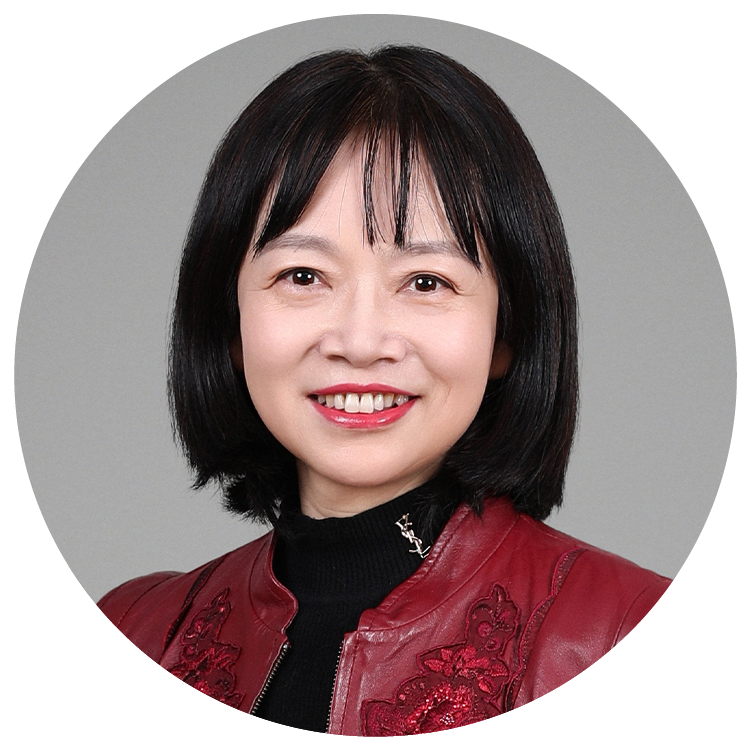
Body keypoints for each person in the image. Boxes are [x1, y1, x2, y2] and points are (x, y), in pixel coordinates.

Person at [67, 45, 736, 737]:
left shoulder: (656, 659)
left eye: (425, 282)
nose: (360, 341)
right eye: (303, 276)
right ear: (229, 320)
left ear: (506, 332)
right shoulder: (132, 647)